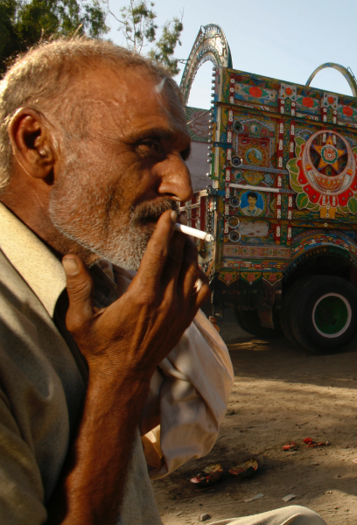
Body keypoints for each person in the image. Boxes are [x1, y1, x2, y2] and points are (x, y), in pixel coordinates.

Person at [0, 39, 324, 525]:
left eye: (181, 154)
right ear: (36, 142)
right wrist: (120, 377)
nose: (182, 187)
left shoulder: (103, 276)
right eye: (149, 146)